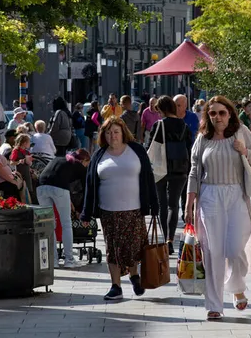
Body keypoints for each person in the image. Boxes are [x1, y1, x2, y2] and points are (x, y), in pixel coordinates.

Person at [186, 96, 251, 320]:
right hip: (210, 196)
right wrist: (189, 202)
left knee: (234, 249)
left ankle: (237, 286)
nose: (217, 117)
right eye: (212, 113)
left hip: (236, 195)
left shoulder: (241, 133)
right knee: (213, 253)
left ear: (230, 113)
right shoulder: (202, 139)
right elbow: (194, 172)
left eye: (222, 113)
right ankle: (214, 305)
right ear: (207, 116)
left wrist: (244, 151)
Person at [82, 116, 158, 301]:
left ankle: (134, 276)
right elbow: (90, 185)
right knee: (113, 248)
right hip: (108, 210)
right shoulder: (99, 155)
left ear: (123, 133)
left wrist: (154, 205)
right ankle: (115, 286)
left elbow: (149, 178)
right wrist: (85, 212)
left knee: (133, 248)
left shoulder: (137, 151)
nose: (112, 136)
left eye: (116, 132)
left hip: (134, 209)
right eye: (108, 132)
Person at [148, 96, 192, 254]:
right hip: (180, 168)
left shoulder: (159, 125)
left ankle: (165, 236)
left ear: (162, 109)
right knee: (174, 205)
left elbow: (151, 147)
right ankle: (170, 240)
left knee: (162, 204)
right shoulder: (184, 125)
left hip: (161, 168)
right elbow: (190, 146)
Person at [37, 149, 90, 268]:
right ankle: (69, 260)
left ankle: (53, 261)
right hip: (59, 188)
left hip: (41, 187)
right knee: (66, 223)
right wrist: (80, 210)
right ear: (84, 160)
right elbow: (86, 189)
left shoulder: (59, 159)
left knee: (49, 224)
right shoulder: (79, 166)